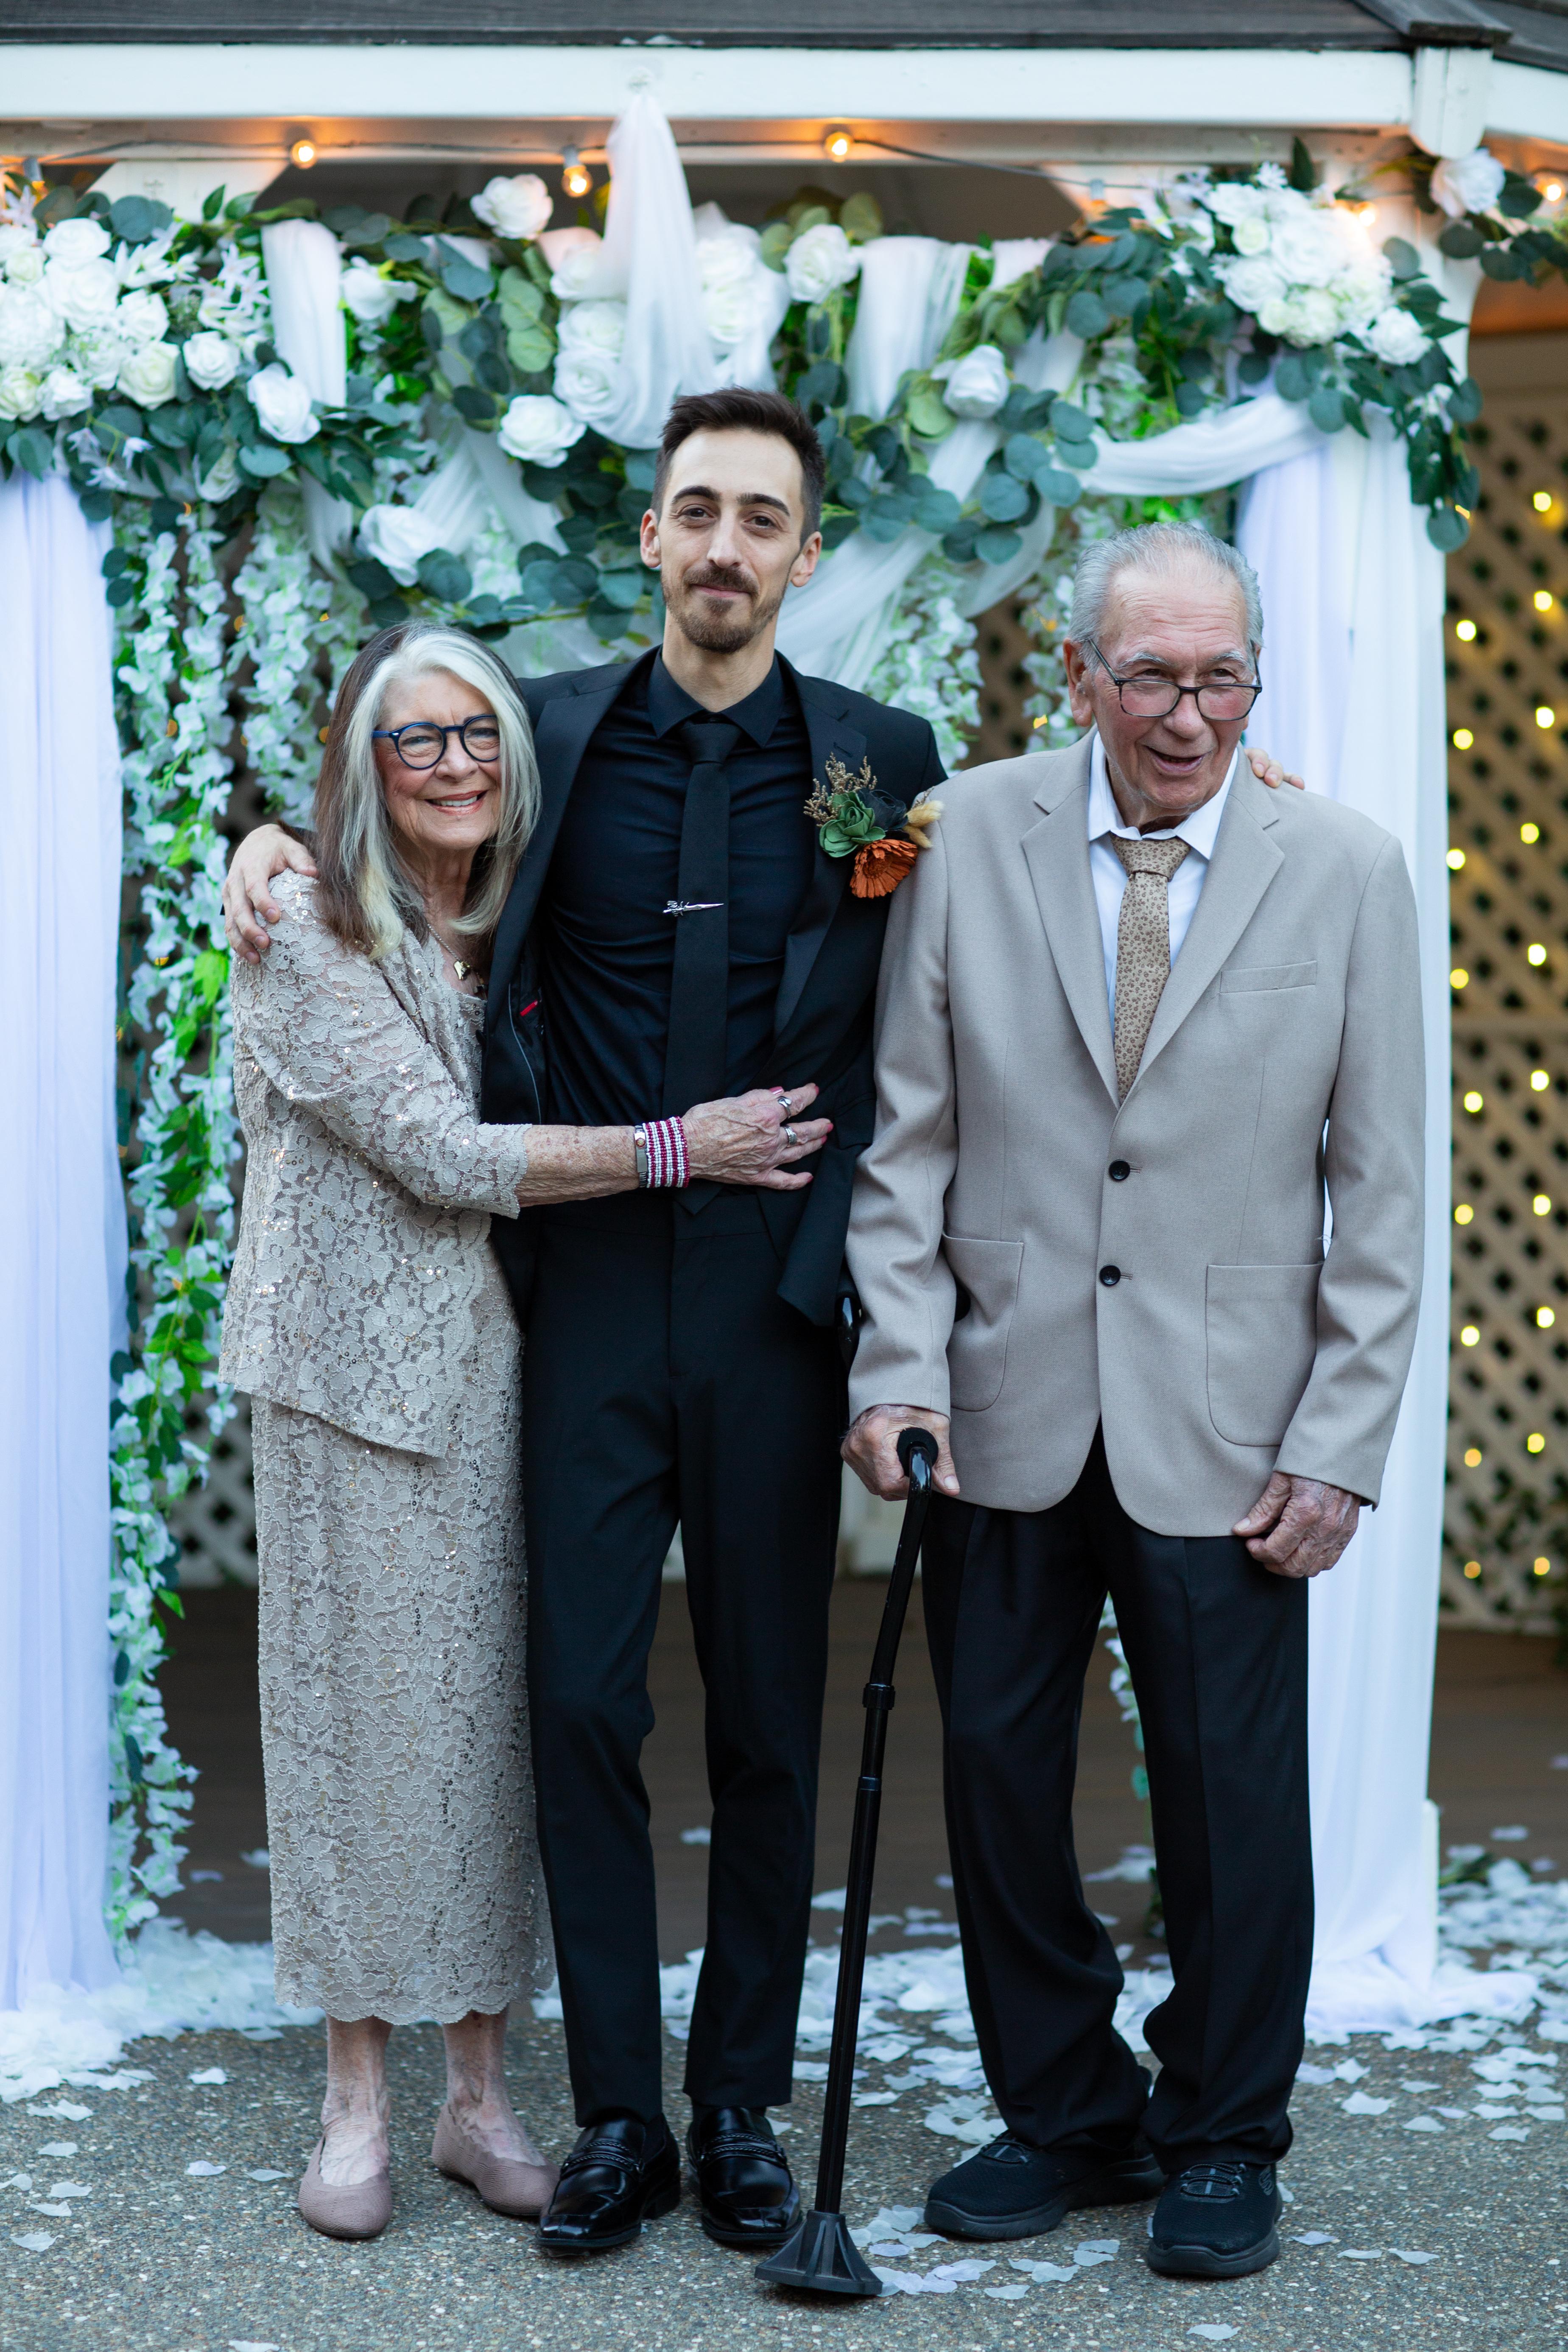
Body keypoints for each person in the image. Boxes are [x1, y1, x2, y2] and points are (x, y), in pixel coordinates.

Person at [842, 521, 1425, 2282]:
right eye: (1152, 675)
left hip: (1235, 1424)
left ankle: (1225, 2131)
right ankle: (1067, 2113)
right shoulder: (968, 837)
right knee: (998, 1782)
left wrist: (1338, 1444)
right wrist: (897, 1362)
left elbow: (1384, 1190)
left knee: (1233, 1800)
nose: (1187, 714)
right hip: (1000, 1401)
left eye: (1220, 677)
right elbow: (907, 1137)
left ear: (1254, 681)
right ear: (1079, 675)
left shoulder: (1347, 868)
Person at [221, 619, 827, 2245]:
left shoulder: (516, 910)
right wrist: (679, 1148)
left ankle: (478, 2097)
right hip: (352, 1381)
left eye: (478, 732)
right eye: (414, 738)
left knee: (501, 1732)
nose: (453, 764)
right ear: (362, 763)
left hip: (503, 1368)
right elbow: (444, 1150)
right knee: (356, 1734)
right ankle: (357, 2098)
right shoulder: (305, 930)